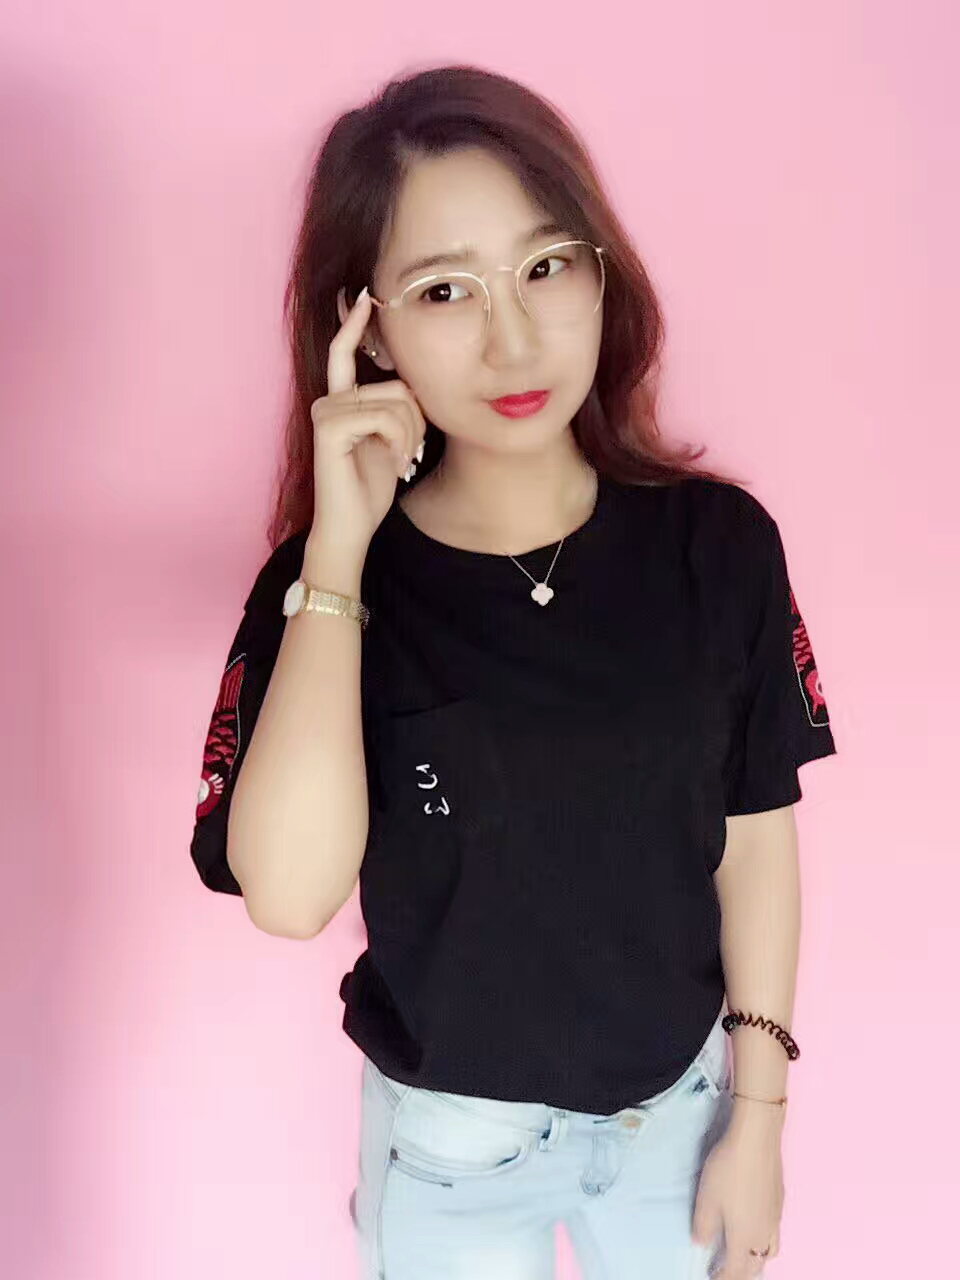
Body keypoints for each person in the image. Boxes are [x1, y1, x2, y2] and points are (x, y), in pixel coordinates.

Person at [189, 64, 837, 1280]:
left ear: (600, 272)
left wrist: (760, 1119)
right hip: (451, 1148)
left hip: (677, 1117)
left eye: (546, 266)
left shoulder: (718, 548)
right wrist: (338, 552)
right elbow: (289, 896)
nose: (514, 337)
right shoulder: (327, 581)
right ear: (368, 328)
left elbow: (755, 837)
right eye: (445, 290)